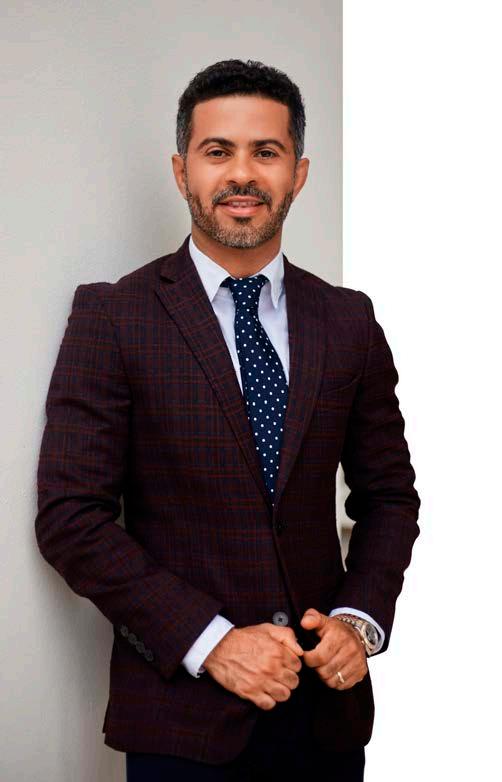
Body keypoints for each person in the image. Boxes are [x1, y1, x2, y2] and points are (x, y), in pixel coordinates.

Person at [35, 59, 421, 781]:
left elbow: (391, 497)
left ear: (298, 174)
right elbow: (71, 518)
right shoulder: (113, 316)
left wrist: (359, 620)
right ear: (181, 170)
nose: (242, 174)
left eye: (265, 152)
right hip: (182, 723)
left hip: (327, 719)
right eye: (218, 151)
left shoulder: (349, 321)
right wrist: (210, 642)